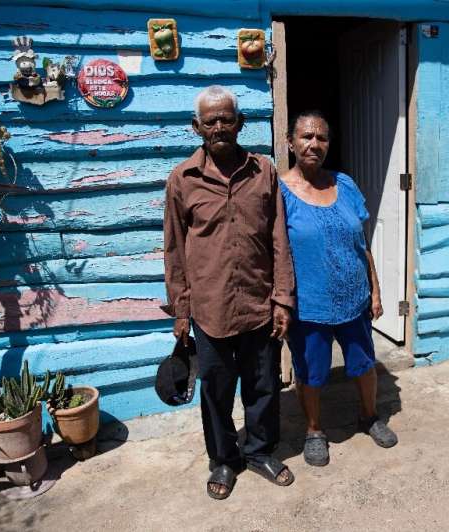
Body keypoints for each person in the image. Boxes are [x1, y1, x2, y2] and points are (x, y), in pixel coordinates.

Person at [162, 86, 296, 499]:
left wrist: (282, 298)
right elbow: (174, 250)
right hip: (210, 309)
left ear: (240, 123)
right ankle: (223, 459)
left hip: (259, 303)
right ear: (196, 127)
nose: (218, 126)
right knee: (216, 392)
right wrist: (182, 312)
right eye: (210, 120)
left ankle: (258, 451)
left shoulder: (264, 171)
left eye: (226, 118)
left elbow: (279, 238)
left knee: (264, 385)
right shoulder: (182, 180)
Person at [278, 110, 398, 467]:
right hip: (309, 306)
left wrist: (374, 289)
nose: (314, 144)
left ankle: (368, 415)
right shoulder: (280, 191)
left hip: (353, 299)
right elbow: (274, 252)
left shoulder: (344, 184)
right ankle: (314, 430)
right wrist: (280, 302)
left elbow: (361, 241)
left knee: (363, 365)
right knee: (312, 372)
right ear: (291, 142)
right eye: (306, 137)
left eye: (321, 137)